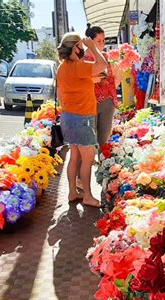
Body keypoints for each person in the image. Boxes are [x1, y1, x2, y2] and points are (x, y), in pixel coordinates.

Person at [57, 32, 107, 207]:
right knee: (88, 159)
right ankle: (87, 195)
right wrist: (93, 47)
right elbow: (102, 64)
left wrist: (90, 80)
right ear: (73, 47)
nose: (83, 48)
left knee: (74, 156)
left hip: (68, 118)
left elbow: (74, 85)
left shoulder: (63, 67)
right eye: (81, 46)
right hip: (82, 119)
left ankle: (72, 192)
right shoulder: (78, 66)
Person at [85, 24, 121, 146]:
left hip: (107, 103)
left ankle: (102, 162)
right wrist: (91, 81)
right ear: (90, 41)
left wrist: (111, 91)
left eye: (103, 40)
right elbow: (75, 82)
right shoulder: (82, 59)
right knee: (89, 139)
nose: (102, 43)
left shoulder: (107, 57)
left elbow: (115, 79)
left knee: (103, 140)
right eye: (99, 41)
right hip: (89, 103)